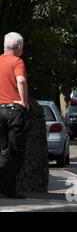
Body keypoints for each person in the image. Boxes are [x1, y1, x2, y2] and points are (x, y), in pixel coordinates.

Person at [0, 32, 30, 199]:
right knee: (16, 152)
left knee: (5, 149)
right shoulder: (17, 61)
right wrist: (23, 101)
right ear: (19, 47)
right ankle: (7, 188)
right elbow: (21, 80)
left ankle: (6, 188)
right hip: (13, 111)